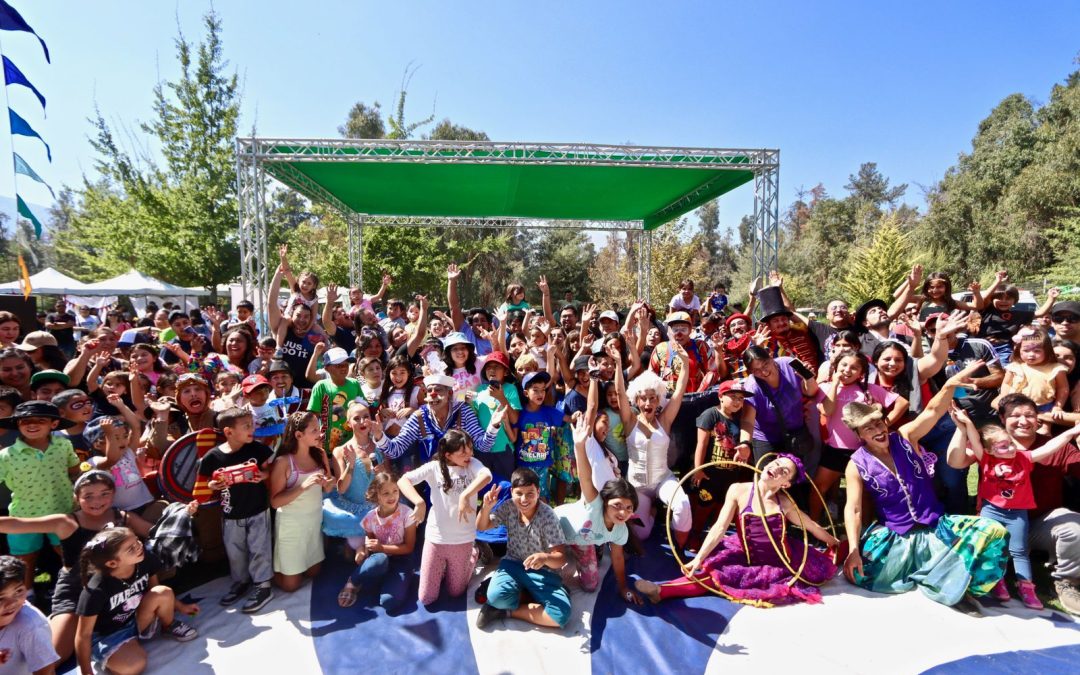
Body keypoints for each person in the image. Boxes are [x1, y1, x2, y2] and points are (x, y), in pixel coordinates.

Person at [841, 359, 1009, 612]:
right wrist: (854, 549)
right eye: (868, 428)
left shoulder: (906, 437)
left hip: (936, 525)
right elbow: (853, 509)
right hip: (897, 536)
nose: (878, 429)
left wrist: (950, 385)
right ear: (859, 435)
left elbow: (932, 410)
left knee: (994, 532)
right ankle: (931, 572)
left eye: (879, 423)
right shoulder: (856, 464)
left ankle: (962, 588)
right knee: (862, 575)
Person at [635, 454, 839, 607]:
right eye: (776, 463)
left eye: (784, 471)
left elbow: (811, 526)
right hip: (745, 554)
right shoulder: (738, 490)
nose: (776, 469)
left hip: (779, 563)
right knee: (713, 572)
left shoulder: (784, 503)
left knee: (722, 580)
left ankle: (662, 590)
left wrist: (834, 543)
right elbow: (720, 527)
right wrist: (698, 559)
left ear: (785, 483)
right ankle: (661, 589)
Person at [0, 471, 153, 664]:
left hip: (114, 594)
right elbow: (18, 523)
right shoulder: (67, 522)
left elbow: (154, 531)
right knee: (53, 657)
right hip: (75, 592)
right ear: (77, 497)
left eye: (104, 493)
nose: (96, 501)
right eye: (88, 496)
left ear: (113, 493)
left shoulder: (123, 518)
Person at [948, 409, 1080, 609]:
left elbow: (1050, 446)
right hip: (991, 511)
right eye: (1003, 446)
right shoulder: (986, 459)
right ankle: (997, 582)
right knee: (994, 548)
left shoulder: (1024, 459)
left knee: (1019, 551)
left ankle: (1026, 588)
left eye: (1010, 443)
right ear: (990, 450)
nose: (1011, 448)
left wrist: (1072, 432)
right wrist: (966, 423)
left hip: (1018, 515)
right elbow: (975, 439)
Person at [75, 527, 198, 675]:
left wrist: (180, 606)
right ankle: (121, 652)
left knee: (163, 593)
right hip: (108, 635)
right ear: (112, 563)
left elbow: (155, 589)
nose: (139, 546)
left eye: (137, 541)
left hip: (135, 619)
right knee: (134, 665)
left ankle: (168, 625)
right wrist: (86, 671)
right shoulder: (95, 591)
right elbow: (83, 635)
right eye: (130, 549)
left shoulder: (145, 559)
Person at [397, 429, 492, 606]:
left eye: (470, 448)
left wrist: (465, 495)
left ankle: (474, 553)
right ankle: (440, 567)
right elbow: (403, 480)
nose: (469, 454)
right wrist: (419, 502)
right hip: (436, 538)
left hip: (463, 540)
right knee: (426, 598)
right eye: (463, 451)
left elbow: (486, 476)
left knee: (456, 592)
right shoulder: (434, 467)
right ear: (448, 454)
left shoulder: (472, 464)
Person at [194, 407, 275, 613]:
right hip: (230, 513)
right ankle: (241, 581)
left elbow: (269, 470)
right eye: (246, 426)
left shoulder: (257, 449)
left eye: (252, 424)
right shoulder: (213, 456)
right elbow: (206, 484)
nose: (252, 429)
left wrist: (263, 476)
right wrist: (214, 486)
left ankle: (263, 585)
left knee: (259, 547)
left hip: (257, 509)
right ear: (229, 432)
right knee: (235, 551)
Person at [812, 351, 905, 521]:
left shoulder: (869, 390)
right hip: (835, 449)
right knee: (818, 487)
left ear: (861, 373)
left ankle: (865, 530)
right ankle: (814, 527)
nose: (848, 370)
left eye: (854, 368)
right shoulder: (825, 388)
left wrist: (884, 424)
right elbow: (828, 411)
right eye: (844, 365)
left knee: (864, 493)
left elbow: (902, 403)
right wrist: (834, 384)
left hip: (863, 450)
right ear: (835, 367)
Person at [554, 414, 638, 601]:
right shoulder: (595, 503)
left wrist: (624, 587)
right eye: (617, 506)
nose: (623, 512)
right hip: (556, 531)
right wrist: (579, 446)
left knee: (591, 586)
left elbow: (617, 558)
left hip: (582, 540)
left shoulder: (620, 530)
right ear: (606, 500)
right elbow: (585, 476)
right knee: (553, 579)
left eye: (628, 507)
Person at [0, 401, 81, 588]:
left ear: (53, 424)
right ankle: (26, 595)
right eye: (25, 421)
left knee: (68, 553)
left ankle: (77, 588)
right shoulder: (6, 455)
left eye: (40, 420)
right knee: (25, 558)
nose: (32, 424)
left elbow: (73, 468)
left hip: (62, 510)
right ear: (18, 425)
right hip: (24, 514)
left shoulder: (63, 445)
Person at [475, 468, 570, 629]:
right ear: (512, 492)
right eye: (519, 493)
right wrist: (486, 507)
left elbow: (560, 557)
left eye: (530, 493)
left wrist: (544, 558)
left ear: (538, 492)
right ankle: (522, 595)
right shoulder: (508, 507)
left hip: (543, 571)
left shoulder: (548, 516)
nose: (524, 499)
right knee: (495, 597)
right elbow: (482, 526)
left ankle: (506, 612)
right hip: (513, 564)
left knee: (560, 616)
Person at [619, 345, 693, 546]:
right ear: (636, 400)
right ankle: (651, 510)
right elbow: (619, 394)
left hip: (663, 480)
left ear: (659, 399)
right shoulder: (630, 421)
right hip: (638, 487)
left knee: (683, 504)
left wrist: (685, 363)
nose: (648, 402)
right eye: (643, 398)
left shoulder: (665, 420)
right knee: (640, 535)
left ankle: (680, 553)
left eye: (653, 398)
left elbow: (679, 391)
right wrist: (618, 364)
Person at [269, 412, 334, 592]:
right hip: (292, 527)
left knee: (314, 572)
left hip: (313, 523)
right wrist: (303, 487)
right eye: (314, 430)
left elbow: (327, 488)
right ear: (299, 435)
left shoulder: (320, 454)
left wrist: (330, 483)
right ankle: (266, 571)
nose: (319, 434)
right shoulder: (283, 462)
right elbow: (275, 502)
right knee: (291, 586)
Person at [336, 472, 416, 612]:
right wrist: (362, 549)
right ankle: (352, 582)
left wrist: (381, 547)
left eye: (395, 491)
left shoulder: (407, 514)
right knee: (379, 560)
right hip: (381, 559)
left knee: (389, 603)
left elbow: (409, 547)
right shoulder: (370, 518)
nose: (392, 496)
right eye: (386, 493)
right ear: (376, 495)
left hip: (401, 561)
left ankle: (390, 580)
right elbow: (371, 542)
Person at [689, 378, 755, 544]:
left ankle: (714, 536)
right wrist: (698, 470)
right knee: (704, 505)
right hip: (710, 474)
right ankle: (695, 534)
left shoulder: (739, 419)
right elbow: (701, 445)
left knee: (722, 506)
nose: (737, 402)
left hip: (730, 474)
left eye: (741, 399)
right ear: (720, 396)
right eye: (733, 397)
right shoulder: (710, 415)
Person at [322, 401, 388, 552]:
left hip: (378, 509)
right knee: (355, 555)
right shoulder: (340, 451)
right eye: (356, 418)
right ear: (349, 423)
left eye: (366, 417)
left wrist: (383, 472)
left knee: (376, 554)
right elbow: (342, 489)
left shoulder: (381, 446)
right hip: (354, 514)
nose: (362, 421)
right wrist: (350, 466)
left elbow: (390, 482)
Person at [0, 556, 59, 675]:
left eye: (18, 591)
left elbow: (46, 671)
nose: (12, 603)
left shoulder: (30, 626)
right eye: (1, 598)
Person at [306, 345, 361, 453]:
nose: (344, 368)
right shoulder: (321, 386)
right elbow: (313, 416)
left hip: (353, 444)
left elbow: (362, 407)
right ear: (326, 368)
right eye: (338, 365)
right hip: (327, 446)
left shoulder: (355, 383)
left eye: (346, 364)